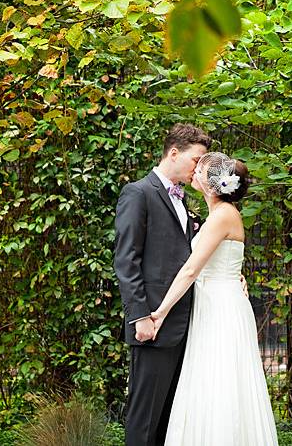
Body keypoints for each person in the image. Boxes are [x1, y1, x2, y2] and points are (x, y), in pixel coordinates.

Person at [151, 152, 278, 446]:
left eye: (202, 169)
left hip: (220, 308)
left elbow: (191, 269)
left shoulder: (223, 216)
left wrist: (160, 312)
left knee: (220, 380)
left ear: (212, 184)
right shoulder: (219, 215)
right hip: (216, 301)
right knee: (209, 380)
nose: (195, 170)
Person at [114, 123, 212, 446]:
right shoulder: (138, 193)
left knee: (169, 425)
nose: (199, 169)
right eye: (196, 160)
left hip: (184, 330)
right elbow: (126, 260)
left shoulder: (184, 202)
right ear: (173, 152)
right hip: (153, 327)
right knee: (143, 423)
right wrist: (140, 315)